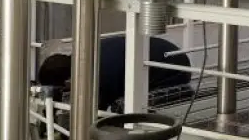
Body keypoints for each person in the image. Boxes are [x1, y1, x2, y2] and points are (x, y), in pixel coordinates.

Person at [36, 36, 192, 112]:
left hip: (175, 69)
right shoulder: (84, 55)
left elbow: (99, 110)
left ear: (67, 80)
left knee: (122, 108)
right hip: (169, 56)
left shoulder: (101, 72)